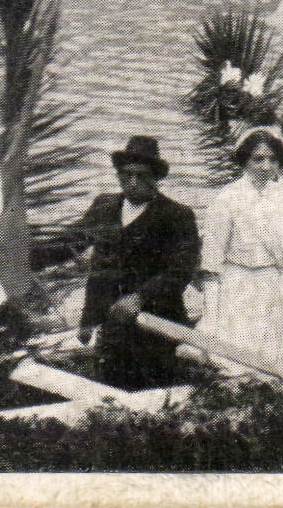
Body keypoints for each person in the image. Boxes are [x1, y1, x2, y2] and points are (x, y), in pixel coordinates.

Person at [72, 135, 201, 390]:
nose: (132, 182)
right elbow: (71, 243)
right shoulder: (104, 206)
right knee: (109, 384)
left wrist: (140, 297)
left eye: (141, 176)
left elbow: (181, 270)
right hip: (109, 319)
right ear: (119, 176)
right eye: (126, 175)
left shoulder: (177, 215)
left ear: (155, 178)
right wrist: (27, 254)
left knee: (153, 386)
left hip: (156, 321)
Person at [195, 128, 283, 374]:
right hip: (238, 285)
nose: (266, 166)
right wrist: (211, 313)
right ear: (244, 160)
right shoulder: (227, 199)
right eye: (258, 159)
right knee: (236, 359)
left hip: (273, 284)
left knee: (274, 359)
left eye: (273, 159)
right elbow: (211, 263)